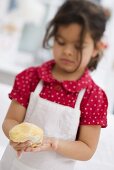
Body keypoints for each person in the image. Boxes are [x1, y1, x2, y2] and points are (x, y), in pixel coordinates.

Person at [0, 0, 108, 170]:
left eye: (78, 46)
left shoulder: (93, 96)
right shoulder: (31, 78)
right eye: (61, 42)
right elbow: (11, 120)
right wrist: (15, 135)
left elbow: (87, 149)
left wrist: (53, 143)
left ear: (97, 48)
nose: (67, 51)